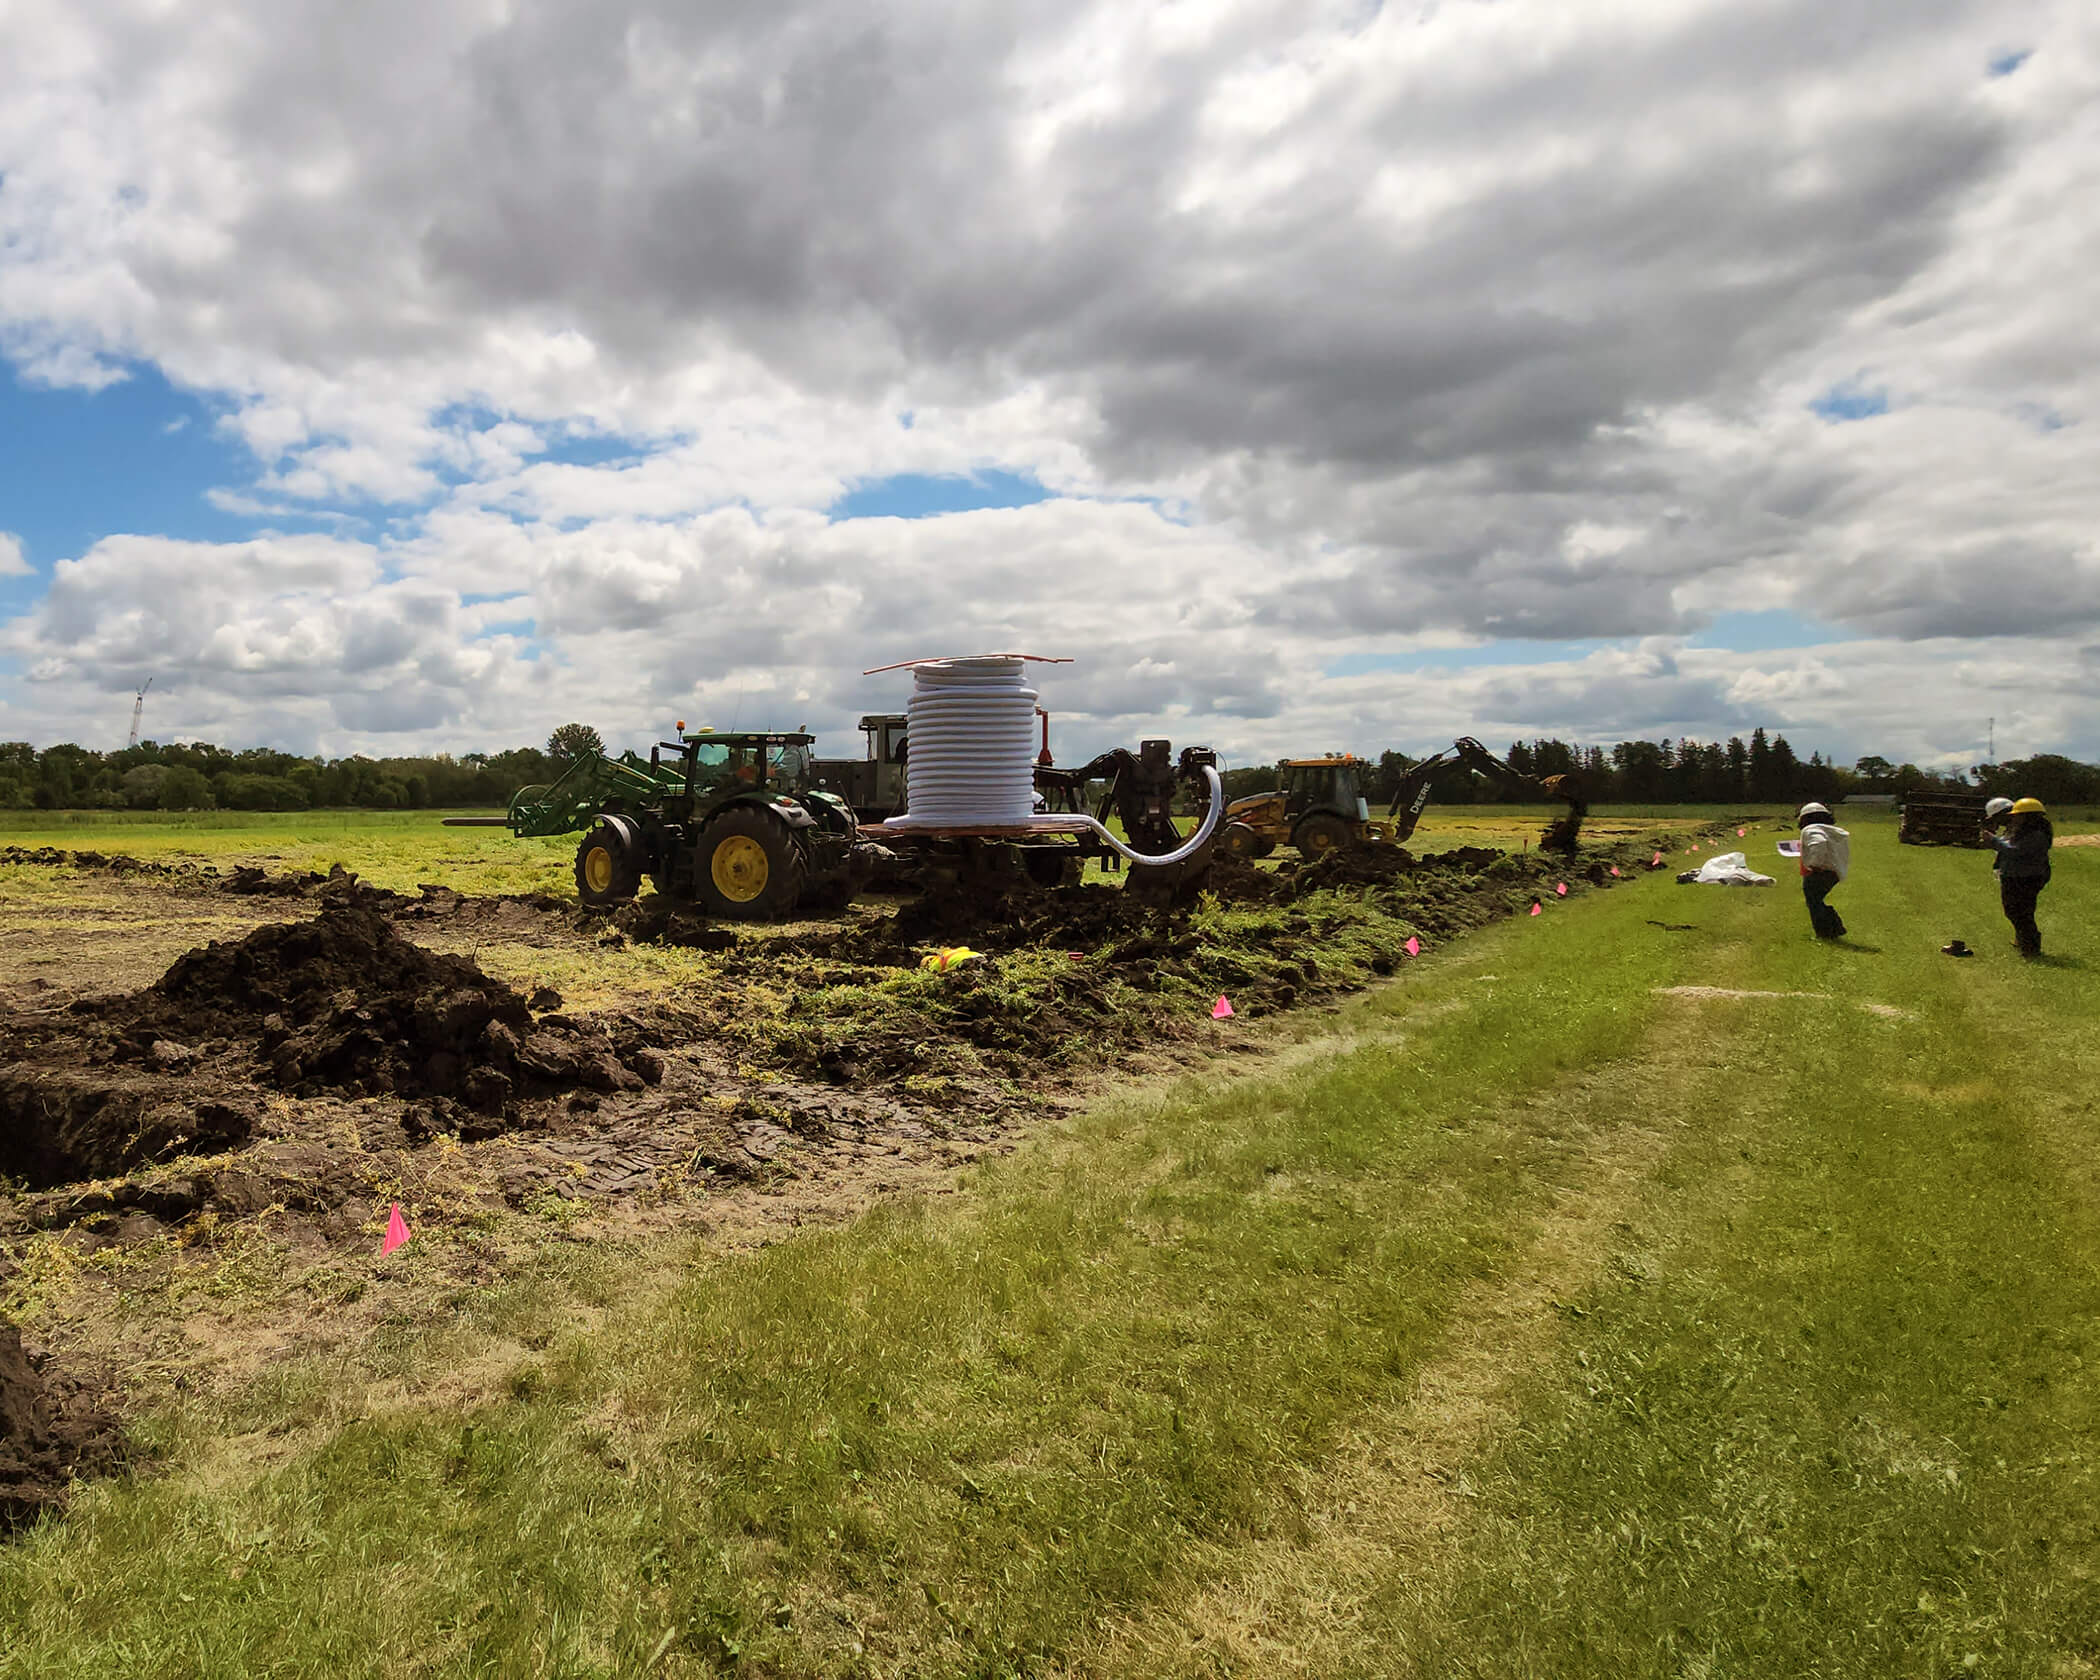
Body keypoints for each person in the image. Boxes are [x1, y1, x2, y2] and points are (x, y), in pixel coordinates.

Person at [1982, 797, 2053, 958]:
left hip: (2026, 877)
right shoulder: (2025, 830)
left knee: (2021, 912)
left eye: (2018, 815)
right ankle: (2025, 942)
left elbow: (2015, 851)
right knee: (2016, 911)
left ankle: (2031, 948)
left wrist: (1994, 841)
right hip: (2017, 875)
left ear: (2029, 816)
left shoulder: (2036, 834)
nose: (2014, 817)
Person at [1796, 801, 1851, 939]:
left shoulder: (1811, 830)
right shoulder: (1831, 831)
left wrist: (1815, 864)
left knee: (1814, 902)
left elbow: (1819, 843)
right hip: (1834, 873)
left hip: (1820, 871)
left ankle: (1826, 932)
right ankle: (1834, 928)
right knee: (1817, 900)